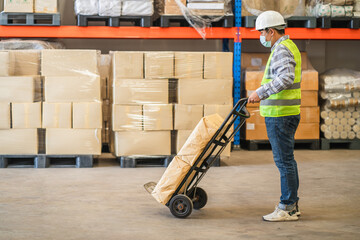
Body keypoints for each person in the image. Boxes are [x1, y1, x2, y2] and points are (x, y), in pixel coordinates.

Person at [247, 11, 302, 222]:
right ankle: (292, 205)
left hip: (281, 115)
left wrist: (260, 93)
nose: (261, 36)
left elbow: (286, 78)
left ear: (271, 31)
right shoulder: (288, 46)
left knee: (284, 162)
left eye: (262, 32)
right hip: (284, 113)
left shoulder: (281, 49)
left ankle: (287, 207)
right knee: (287, 161)